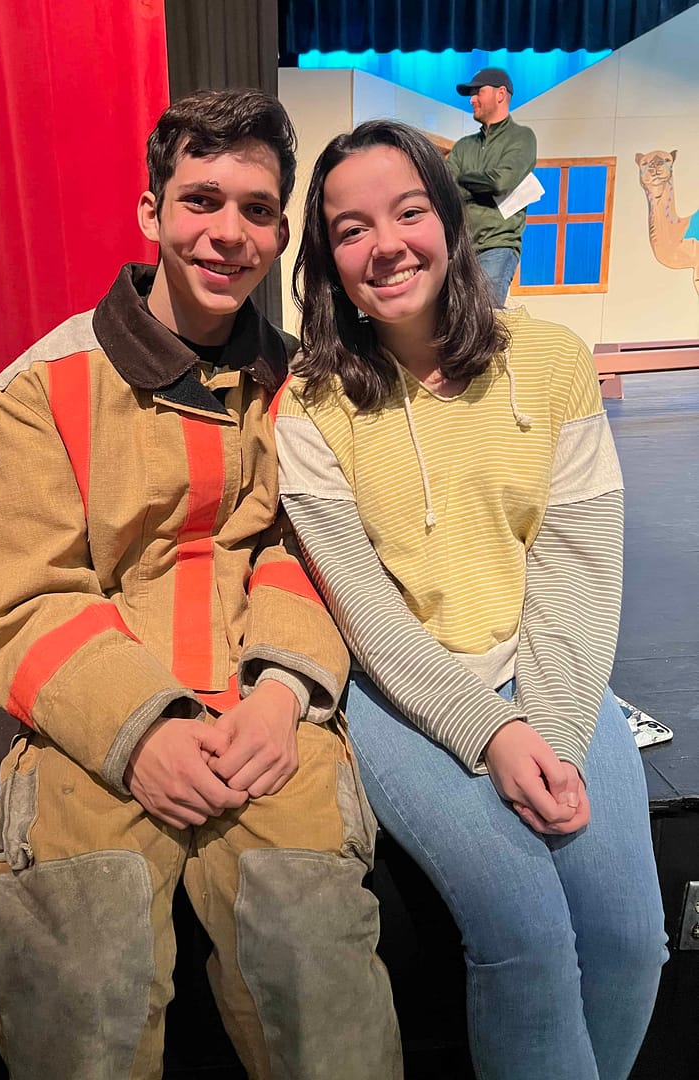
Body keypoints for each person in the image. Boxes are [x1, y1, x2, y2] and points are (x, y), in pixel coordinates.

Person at [0, 89, 402, 1080]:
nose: (227, 232)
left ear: (282, 232)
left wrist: (282, 695)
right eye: (201, 200)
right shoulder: (41, 388)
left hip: (268, 726)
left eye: (255, 209)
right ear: (152, 214)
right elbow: (23, 600)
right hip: (95, 736)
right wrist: (144, 732)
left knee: (325, 992)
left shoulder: (309, 386)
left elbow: (314, 548)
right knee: (78, 990)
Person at [273, 119, 668, 1080]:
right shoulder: (311, 401)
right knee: (528, 942)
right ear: (326, 255)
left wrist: (558, 733)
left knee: (628, 942)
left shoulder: (554, 361)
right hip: (402, 692)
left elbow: (576, 568)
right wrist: (490, 735)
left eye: (408, 211)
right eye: (351, 227)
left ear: (448, 221)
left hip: (553, 679)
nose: (386, 245)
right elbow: (365, 611)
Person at [447, 67, 536, 306]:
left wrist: (463, 180)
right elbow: (445, 189)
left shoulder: (522, 138)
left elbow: (501, 181)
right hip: (460, 250)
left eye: (478, 92)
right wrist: (478, 185)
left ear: (500, 94)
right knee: (456, 321)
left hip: (498, 245)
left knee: (484, 319)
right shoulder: (463, 146)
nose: (472, 99)